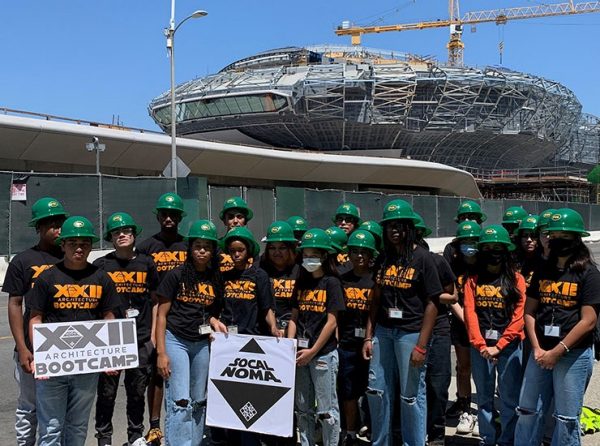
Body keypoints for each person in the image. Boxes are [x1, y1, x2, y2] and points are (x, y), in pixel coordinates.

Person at [27, 216, 120, 446]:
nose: (79, 248)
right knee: (50, 428)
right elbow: (35, 318)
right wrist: (40, 356)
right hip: (54, 364)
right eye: (73, 243)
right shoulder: (47, 278)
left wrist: (110, 355)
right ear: (63, 245)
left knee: (78, 428)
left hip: (87, 366)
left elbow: (109, 317)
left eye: (85, 244)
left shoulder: (101, 278)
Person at [515, 208, 600, 446]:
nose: (554, 240)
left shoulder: (589, 274)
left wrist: (557, 351)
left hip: (572, 355)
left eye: (561, 235)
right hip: (539, 352)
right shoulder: (543, 269)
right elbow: (529, 311)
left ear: (575, 239)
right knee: (528, 411)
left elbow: (588, 321)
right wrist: (537, 348)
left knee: (566, 419)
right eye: (551, 235)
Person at [362, 199, 443, 446]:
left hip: (411, 334)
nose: (394, 230)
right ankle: (381, 441)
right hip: (383, 332)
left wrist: (421, 345)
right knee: (377, 390)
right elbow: (375, 300)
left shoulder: (424, 258)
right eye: (389, 226)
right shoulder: (384, 258)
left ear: (410, 228)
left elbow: (433, 303)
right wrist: (368, 335)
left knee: (410, 395)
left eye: (400, 225)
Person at [155, 220, 226, 446]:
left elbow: (212, 311)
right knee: (180, 401)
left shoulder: (216, 278)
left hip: (202, 344)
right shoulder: (176, 275)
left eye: (207, 246)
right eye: (197, 245)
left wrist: (215, 321)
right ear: (190, 248)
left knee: (199, 400)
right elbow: (162, 315)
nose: (202, 250)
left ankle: (194, 442)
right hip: (176, 341)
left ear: (214, 250)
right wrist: (161, 353)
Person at [3, 197, 67, 446]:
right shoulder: (24, 260)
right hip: (34, 348)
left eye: (60, 222)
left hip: (65, 349)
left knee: (59, 408)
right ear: (38, 228)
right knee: (29, 406)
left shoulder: (72, 257)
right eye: (50, 224)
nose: (57, 229)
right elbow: (15, 304)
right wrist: (23, 347)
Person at [93, 212, 159, 446]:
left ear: (134, 234)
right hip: (112, 340)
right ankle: (104, 436)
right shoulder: (101, 265)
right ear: (110, 237)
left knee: (137, 391)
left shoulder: (147, 262)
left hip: (140, 338)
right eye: (116, 232)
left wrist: (153, 335)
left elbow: (155, 300)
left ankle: (135, 435)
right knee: (107, 392)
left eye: (126, 231)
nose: (121, 235)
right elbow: (96, 304)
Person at [463, 225, 526, 446]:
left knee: (509, 399)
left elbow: (520, 316)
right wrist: (481, 345)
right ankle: (487, 439)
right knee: (484, 398)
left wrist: (500, 345)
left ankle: (508, 440)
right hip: (481, 348)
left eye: (498, 246)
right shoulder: (472, 280)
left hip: (508, 347)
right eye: (488, 247)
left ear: (506, 250)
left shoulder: (516, 279)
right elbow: (470, 313)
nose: (493, 250)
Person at [137, 192, 188, 445]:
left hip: (184, 316)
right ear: (158, 216)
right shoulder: (146, 247)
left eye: (174, 214)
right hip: (157, 314)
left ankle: (183, 423)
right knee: (156, 372)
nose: (169, 218)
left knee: (183, 375)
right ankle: (155, 426)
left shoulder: (188, 245)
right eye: (164, 214)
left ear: (180, 217)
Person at [287, 228, 345, 446]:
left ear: (324, 256)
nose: (309, 259)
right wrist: (291, 346)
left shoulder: (332, 283)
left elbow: (332, 322)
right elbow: (294, 317)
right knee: (302, 408)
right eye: (306, 255)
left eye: (314, 255)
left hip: (322, 355)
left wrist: (312, 352)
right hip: (300, 355)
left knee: (327, 410)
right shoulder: (301, 282)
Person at [414, 214, 458, 445]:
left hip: (438, 329)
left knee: (438, 383)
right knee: (413, 385)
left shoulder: (437, 261)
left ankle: (437, 432)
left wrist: (429, 294)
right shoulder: (396, 261)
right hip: (410, 328)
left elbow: (452, 296)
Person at [337, 230, 378, 446]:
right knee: (348, 391)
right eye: (354, 251)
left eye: (364, 252)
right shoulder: (342, 279)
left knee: (373, 389)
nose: (359, 256)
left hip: (371, 344)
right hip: (346, 344)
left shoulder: (376, 279)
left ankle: (373, 428)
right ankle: (351, 432)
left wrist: (369, 338)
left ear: (371, 254)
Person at [445, 221, 481, 432]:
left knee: (485, 369)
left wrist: (477, 324)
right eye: (465, 242)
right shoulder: (454, 265)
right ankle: (465, 408)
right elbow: (452, 297)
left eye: (473, 241)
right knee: (463, 366)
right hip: (462, 323)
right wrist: (467, 321)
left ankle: (484, 411)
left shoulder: (486, 265)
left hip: (485, 324)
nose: (469, 246)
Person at [260, 221, 300, 336]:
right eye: (272, 248)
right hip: (266, 334)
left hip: (294, 334)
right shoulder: (260, 271)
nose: (277, 252)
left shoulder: (301, 272)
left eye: (282, 248)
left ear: (291, 249)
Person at [218, 196, 254, 273]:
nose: (235, 221)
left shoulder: (252, 245)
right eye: (230, 217)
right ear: (224, 221)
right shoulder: (216, 246)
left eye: (239, 216)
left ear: (245, 221)